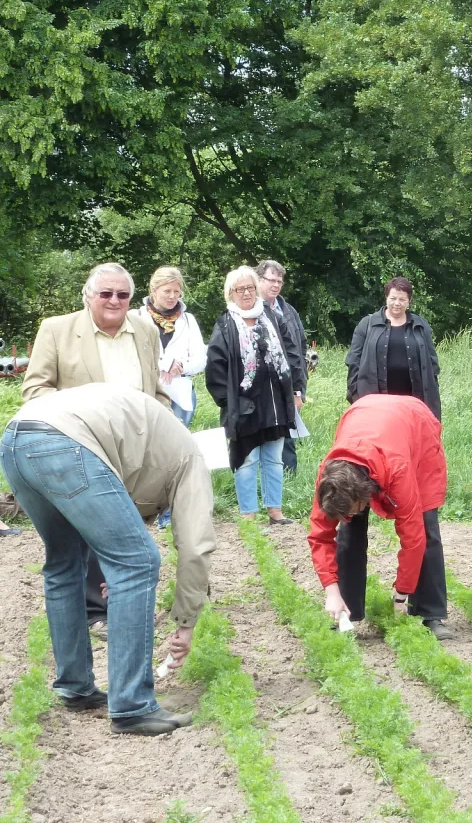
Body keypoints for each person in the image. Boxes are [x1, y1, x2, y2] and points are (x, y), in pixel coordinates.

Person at [0, 384, 216, 735]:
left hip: (16, 438)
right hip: (64, 442)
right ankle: (133, 706)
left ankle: (75, 686)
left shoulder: (154, 446)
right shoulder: (190, 461)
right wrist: (186, 623)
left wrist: (114, 566)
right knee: (139, 561)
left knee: (64, 561)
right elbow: (196, 545)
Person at [21, 262, 169, 639]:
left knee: (125, 532)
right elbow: (35, 392)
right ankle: (93, 613)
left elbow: (156, 391)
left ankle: (121, 602)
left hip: (133, 452)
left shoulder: (146, 332)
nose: (115, 301)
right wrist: (83, 416)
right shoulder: (57, 329)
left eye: (123, 295)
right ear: (88, 296)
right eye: (106, 293)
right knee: (84, 535)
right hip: (79, 449)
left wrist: (164, 429)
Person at [308, 394, 452, 639]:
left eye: (354, 509)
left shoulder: (398, 468)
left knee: (425, 524)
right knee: (348, 532)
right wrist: (331, 592)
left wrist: (401, 595)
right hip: (361, 413)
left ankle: (430, 613)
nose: (350, 515)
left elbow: (412, 538)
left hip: (416, 425)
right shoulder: (329, 476)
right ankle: (345, 611)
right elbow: (320, 537)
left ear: (364, 494)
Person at [205, 266, 305, 524]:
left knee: (274, 458)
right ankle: (248, 514)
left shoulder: (272, 317)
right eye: (241, 289)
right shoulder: (225, 325)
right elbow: (215, 368)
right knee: (247, 460)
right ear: (231, 293)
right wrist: (229, 402)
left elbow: (292, 355)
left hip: (276, 402)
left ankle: (275, 510)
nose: (247, 293)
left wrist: (296, 390)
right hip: (245, 406)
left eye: (250, 287)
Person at [345, 277, 441, 420]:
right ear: (386, 298)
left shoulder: (421, 325)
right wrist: (356, 395)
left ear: (409, 301)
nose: (397, 303)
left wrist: (431, 396)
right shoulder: (367, 324)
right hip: (374, 402)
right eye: (393, 298)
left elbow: (432, 364)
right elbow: (353, 361)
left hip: (414, 402)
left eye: (402, 299)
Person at [139, 267, 207, 427]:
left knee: (178, 447)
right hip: (147, 394)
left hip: (180, 397)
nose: (172, 296)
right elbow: (134, 356)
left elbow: (200, 360)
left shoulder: (188, 320)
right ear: (154, 290)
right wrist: (165, 364)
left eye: (176, 292)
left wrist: (180, 367)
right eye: (167, 291)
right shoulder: (137, 317)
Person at [256, 260, 308, 472]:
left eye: (280, 281)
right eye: (271, 280)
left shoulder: (289, 311)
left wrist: (299, 389)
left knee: (287, 434)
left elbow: (301, 347)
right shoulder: (249, 309)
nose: (276, 285)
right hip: (259, 385)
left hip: (287, 385)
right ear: (259, 280)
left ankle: (288, 477)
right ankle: (261, 475)